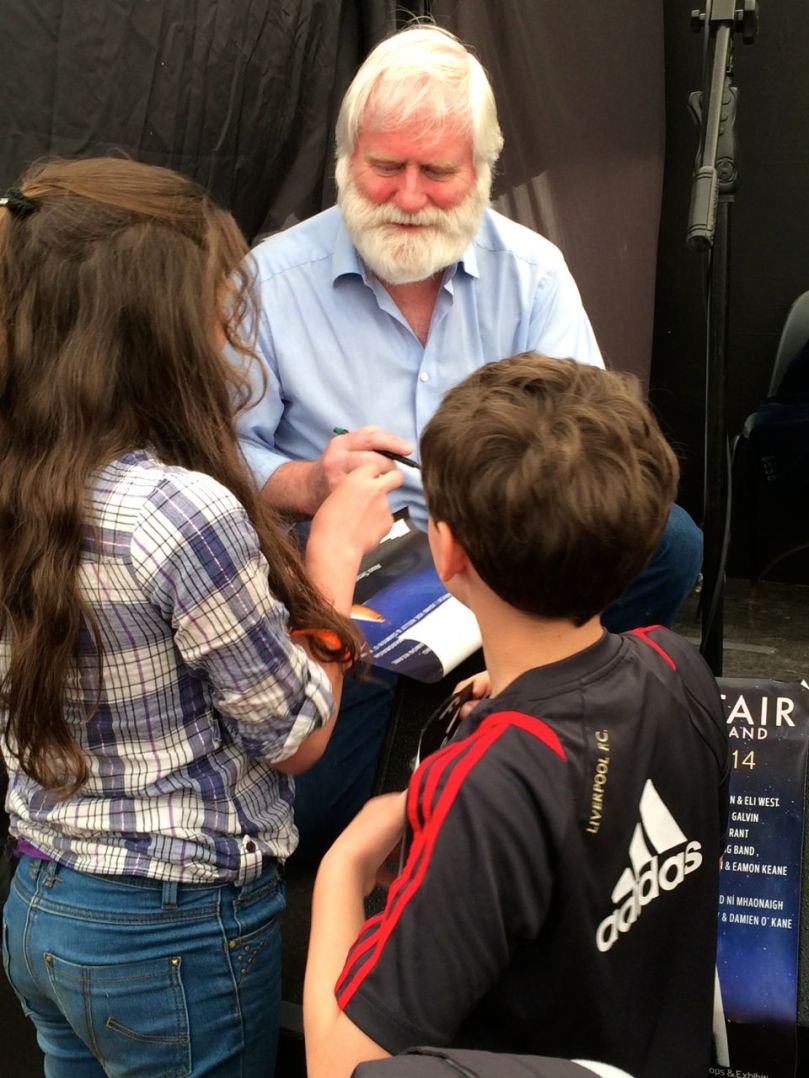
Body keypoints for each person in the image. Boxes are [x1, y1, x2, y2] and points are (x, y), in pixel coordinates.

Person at [235, 23, 704, 855]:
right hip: (353, 567)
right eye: (385, 167)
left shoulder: (532, 273)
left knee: (667, 543)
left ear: (483, 170)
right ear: (345, 159)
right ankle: (444, 702)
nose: (408, 197)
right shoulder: (269, 280)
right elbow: (220, 453)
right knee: (312, 821)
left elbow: (593, 440)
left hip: (500, 549)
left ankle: (533, 688)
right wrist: (309, 483)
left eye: (437, 172)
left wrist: (518, 503)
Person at [0, 157, 399, 1077]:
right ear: (158, 330)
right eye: (217, 308)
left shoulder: (26, 479)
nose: (230, 333)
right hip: (172, 936)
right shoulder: (182, 513)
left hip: (41, 904)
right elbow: (295, 735)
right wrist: (333, 552)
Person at [303, 355, 729, 1078]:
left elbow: (340, 1066)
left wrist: (342, 865)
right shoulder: (676, 665)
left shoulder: (487, 788)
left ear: (446, 550)